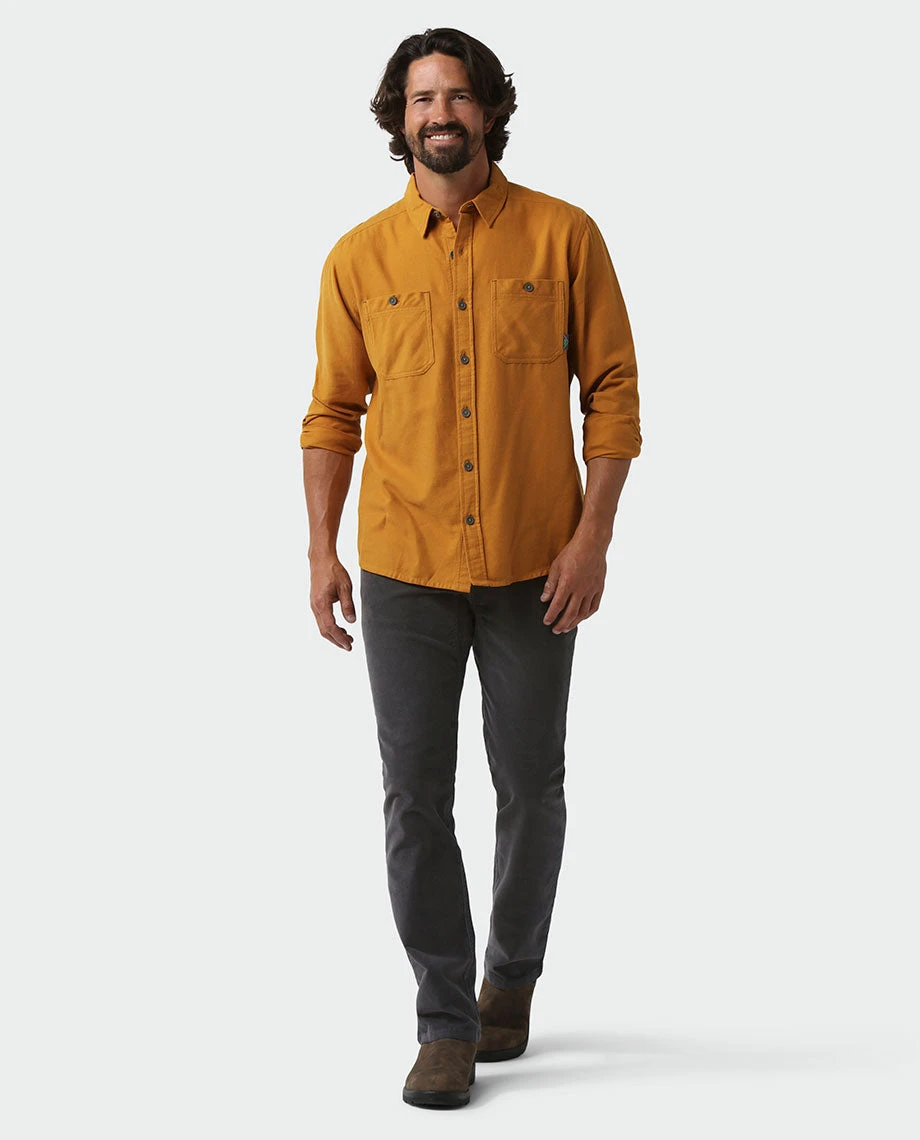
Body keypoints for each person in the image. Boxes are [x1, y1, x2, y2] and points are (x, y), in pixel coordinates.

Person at [300, 27, 641, 1109]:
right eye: (419, 99)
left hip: (537, 563)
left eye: (455, 95)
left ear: (489, 109)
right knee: (414, 795)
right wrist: (319, 548)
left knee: (531, 787)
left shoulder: (564, 237)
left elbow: (613, 393)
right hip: (403, 566)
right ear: (397, 121)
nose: (438, 113)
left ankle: (511, 980)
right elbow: (331, 411)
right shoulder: (358, 259)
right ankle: (443, 1020)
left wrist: (592, 539)